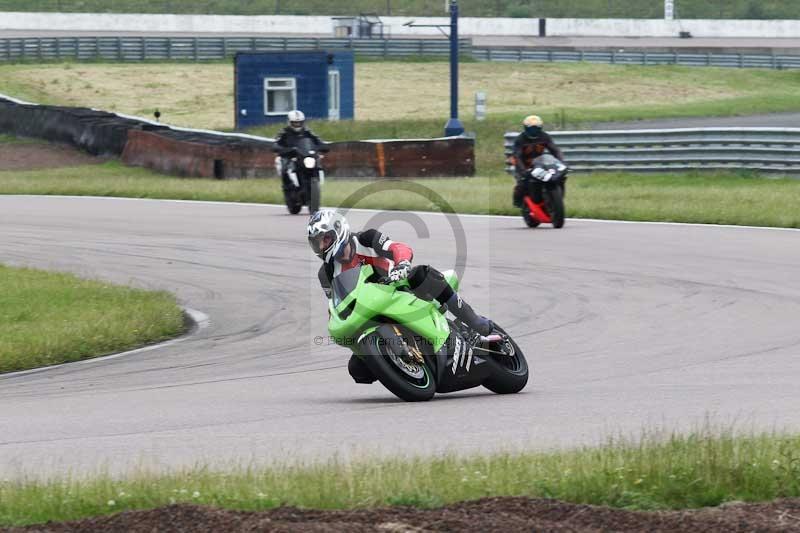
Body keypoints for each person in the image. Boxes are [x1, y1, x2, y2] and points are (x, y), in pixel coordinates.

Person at [307, 209, 494, 384]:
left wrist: (402, 263)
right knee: (357, 369)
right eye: (317, 243)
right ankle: (396, 366)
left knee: (421, 273)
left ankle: (476, 323)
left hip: (398, 287)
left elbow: (398, 248)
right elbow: (335, 302)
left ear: (339, 231)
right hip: (368, 310)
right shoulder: (325, 274)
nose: (322, 246)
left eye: (326, 239)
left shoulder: (366, 239)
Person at [511, 115, 567, 207]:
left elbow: (555, 150)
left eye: (536, 129)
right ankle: (517, 201)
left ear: (540, 128)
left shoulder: (545, 137)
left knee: (558, 177)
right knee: (522, 183)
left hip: (539, 163)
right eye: (531, 129)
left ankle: (556, 199)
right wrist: (523, 171)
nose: (534, 132)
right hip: (523, 164)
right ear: (525, 128)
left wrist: (561, 162)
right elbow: (517, 156)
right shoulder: (520, 139)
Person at [274, 110, 326, 190]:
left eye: (299, 123)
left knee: (316, 160)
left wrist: (322, 146)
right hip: (290, 156)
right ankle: (288, 187)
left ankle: (317, 180)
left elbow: (317, 140)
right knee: (285, 167)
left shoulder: (308, 132)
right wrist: (283, 149)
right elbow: (276, 144)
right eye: (295, 123)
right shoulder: (284, 133)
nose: (297, 125)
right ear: (289, 122)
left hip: (304, 155)